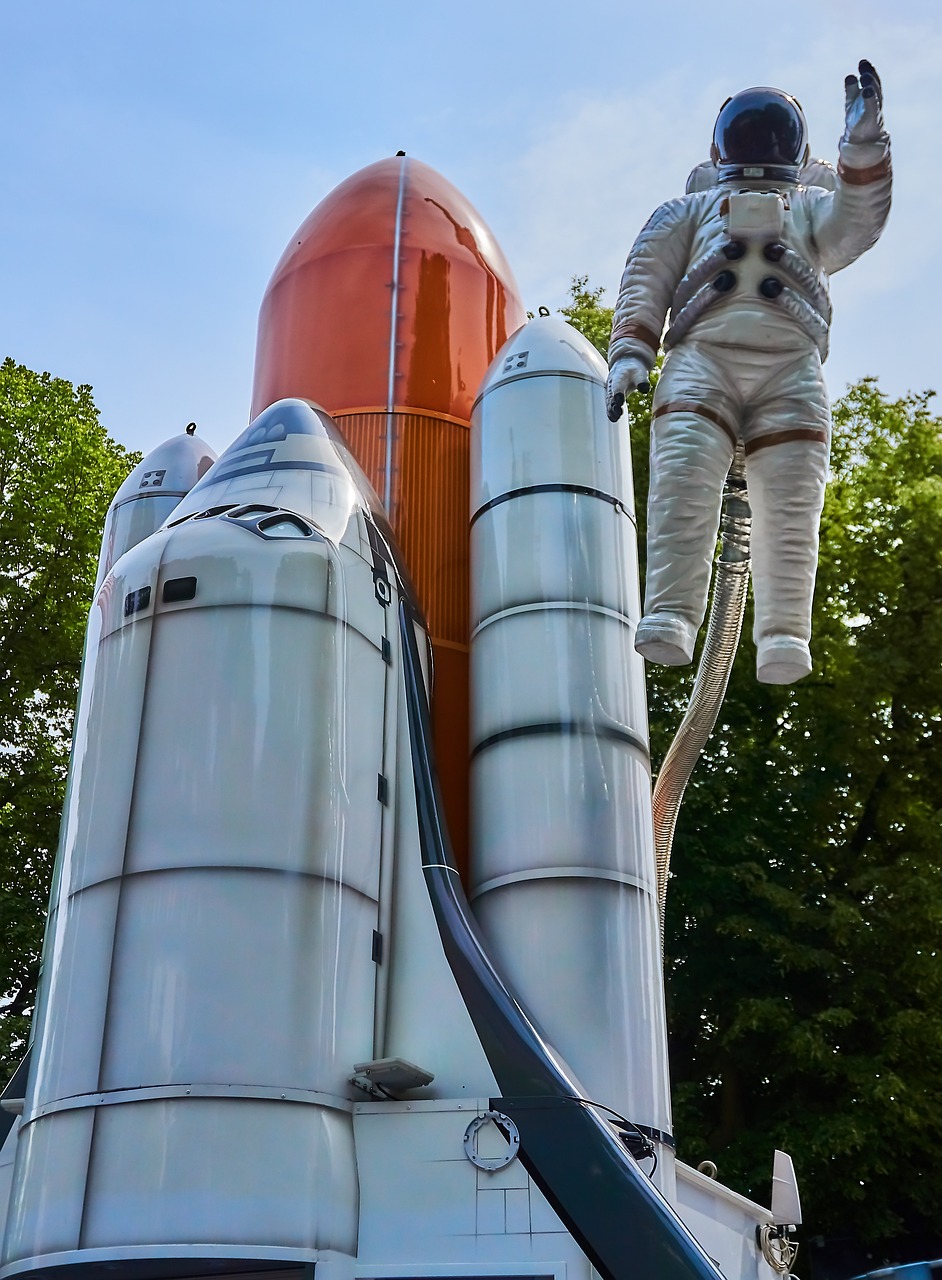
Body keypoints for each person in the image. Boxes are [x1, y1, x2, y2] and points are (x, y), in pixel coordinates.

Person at [607, 61, 891, 683]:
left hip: (790, 368)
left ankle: (784, 633)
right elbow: (646, 280)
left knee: (791, 503)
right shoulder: (687, 211)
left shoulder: (815, 207)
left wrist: (865, 145)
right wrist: (630, 354)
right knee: (683, 481)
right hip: (700, 359)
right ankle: (672, 615)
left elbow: (859, 220)